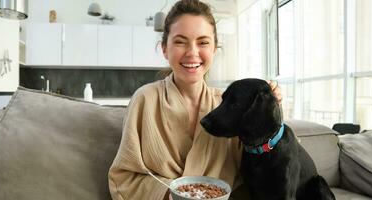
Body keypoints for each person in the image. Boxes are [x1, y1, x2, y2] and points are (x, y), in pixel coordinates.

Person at [108, 0, 282, 199]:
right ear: (164, 48)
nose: (192, 52)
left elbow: (258, 172)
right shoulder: (144, 100)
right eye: (180, 41)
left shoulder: (236, 106)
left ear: (214, 48)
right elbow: (123, 178)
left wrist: (268, 112)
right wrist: (178, 194)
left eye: (203, 42)